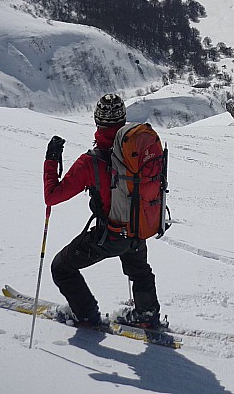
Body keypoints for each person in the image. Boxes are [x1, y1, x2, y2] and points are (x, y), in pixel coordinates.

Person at [44, 93, 161, 328]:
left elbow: (52, 196)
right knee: (139, 271)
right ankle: (146, 315)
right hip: (139, 227)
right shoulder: (136, 152)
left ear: (97, 121)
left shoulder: (90, 162)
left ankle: (86, 315)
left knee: (61, 268)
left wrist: (51, 160)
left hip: (111, 235)